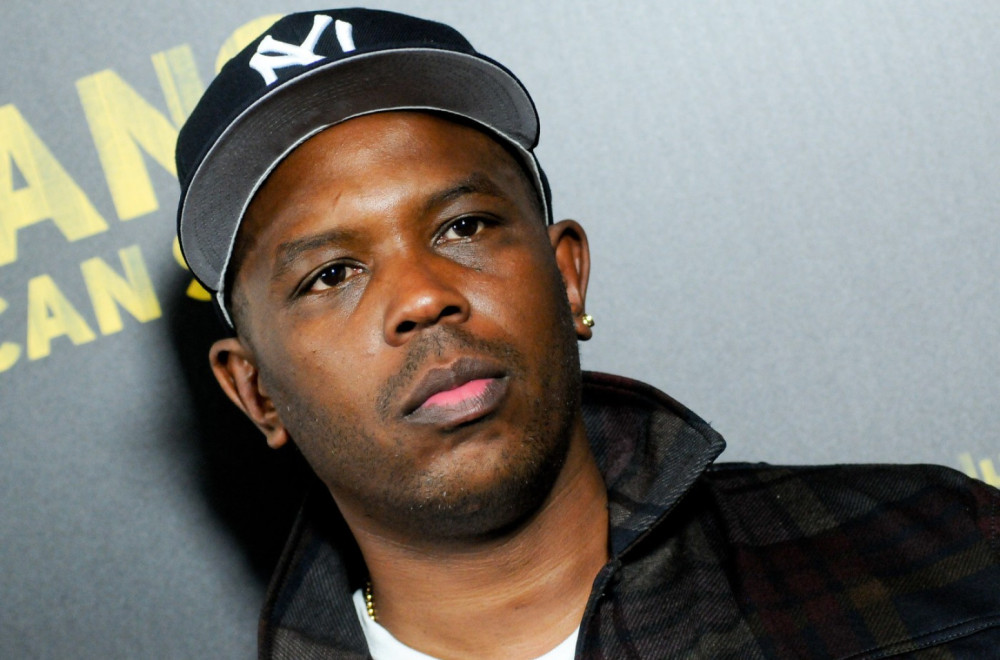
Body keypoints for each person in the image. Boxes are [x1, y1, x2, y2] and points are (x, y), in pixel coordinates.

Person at [175, 8, 1000, 659]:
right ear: (256, 391)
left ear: (567, 276)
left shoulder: (946, 554)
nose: (422, 297)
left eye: (463, 226)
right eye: (331, 274)